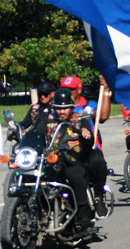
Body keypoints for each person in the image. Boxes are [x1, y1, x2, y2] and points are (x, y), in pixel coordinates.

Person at [41, 87, 109, 229]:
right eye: (59, 108)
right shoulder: (48, 120)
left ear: (72, 107)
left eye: (65, 108)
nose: (62, 111)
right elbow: (34, 133)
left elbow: (89, 141)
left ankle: (84, 212)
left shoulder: (79, 120)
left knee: (77, 174)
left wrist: (86, 134)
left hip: (73, 159)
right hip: (51, 160)